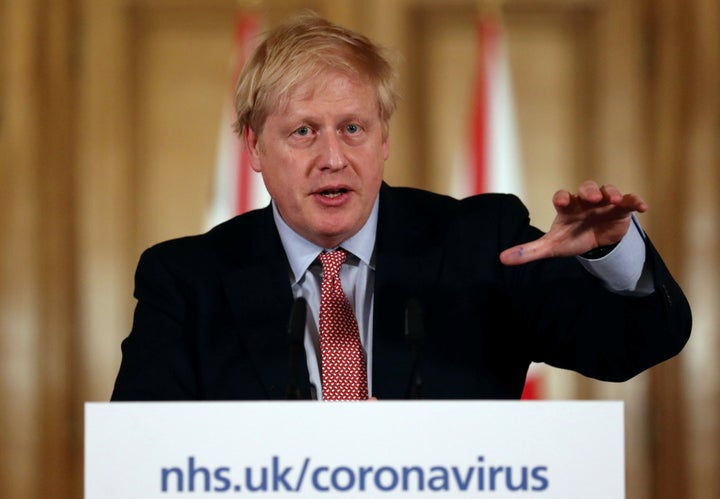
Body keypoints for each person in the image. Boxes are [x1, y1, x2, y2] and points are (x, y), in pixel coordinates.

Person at [111, 13, 691, 401]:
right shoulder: (187, 279)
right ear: (254, 148)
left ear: (384, 140)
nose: (333, 157)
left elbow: (627, 347)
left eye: (354, 128)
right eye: (304, 132)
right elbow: (143, 450)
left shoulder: (481, 243)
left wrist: (613, 251)